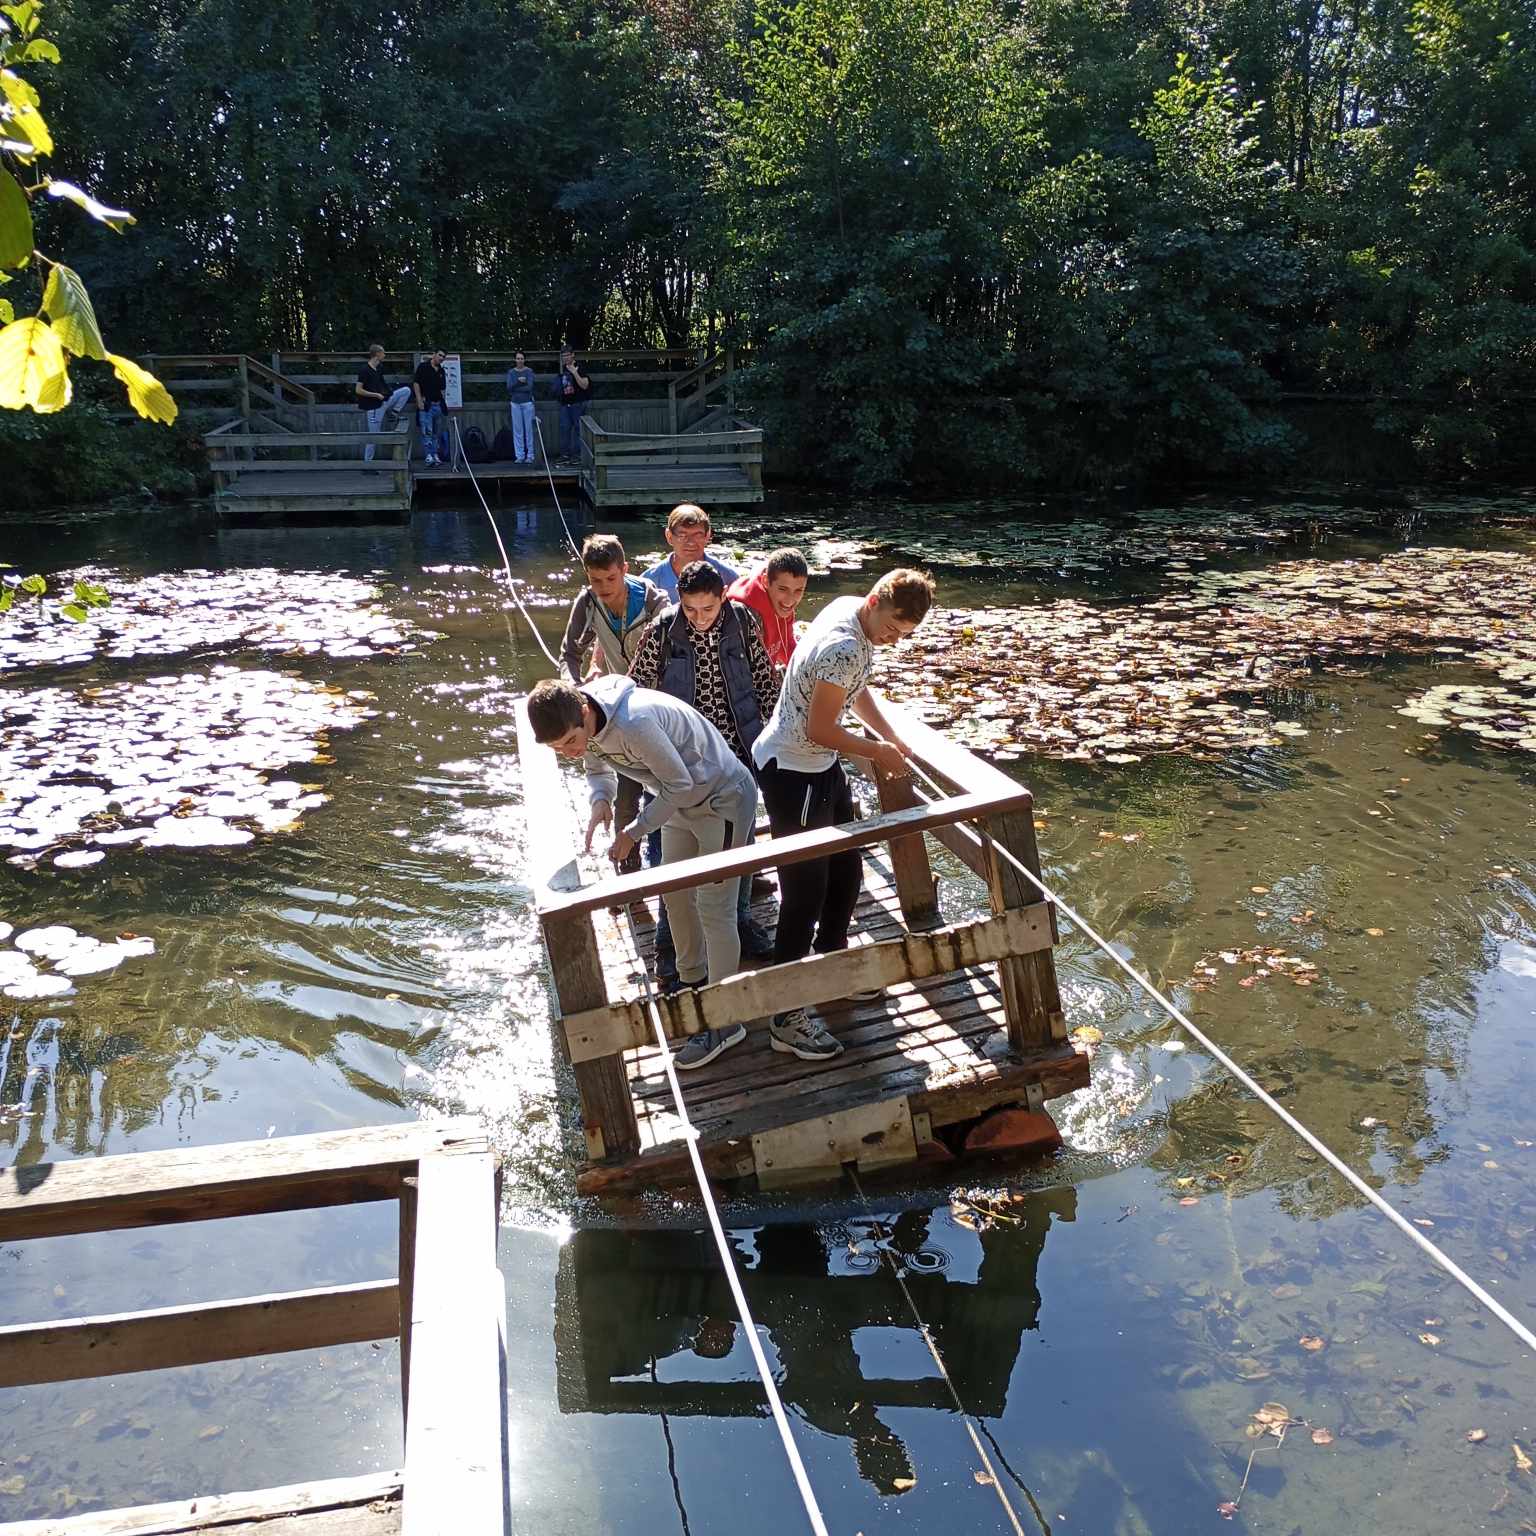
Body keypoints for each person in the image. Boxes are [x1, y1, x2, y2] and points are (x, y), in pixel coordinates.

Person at [527, 676, 758, 1070]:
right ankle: (691, 987)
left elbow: (681, 783)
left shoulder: (634, 723)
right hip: (678, 802)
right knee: (674, 894)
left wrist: (634, 832)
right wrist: (601, 800)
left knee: (714, 908)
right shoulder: (585, 724)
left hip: (721, 799)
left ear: (584, 711)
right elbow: (596, 768)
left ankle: (725, 1022)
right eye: (558, 749)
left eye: (569, 742)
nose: (569, 752)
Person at [752, 568, 936, 1062]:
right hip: (794, 769)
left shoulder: (852, 612)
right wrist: (877, 752)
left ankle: (832, 961)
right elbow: (820, 728)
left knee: (848, 869)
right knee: (804, 892)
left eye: (903, 635)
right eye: (892, 628)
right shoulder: (845, 646)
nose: (893, 640)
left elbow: (853, 690)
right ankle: (785, 1016)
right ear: (875, 602)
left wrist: (889, 735)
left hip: (821, 767)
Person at [629, 559, 780, 964]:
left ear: (722, 598)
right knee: (665, 845)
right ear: (679, 600)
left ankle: (740, 920)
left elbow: (764, 681)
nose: (699, 618)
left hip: (736, 749)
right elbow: (637, 691)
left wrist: (774, 738)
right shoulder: (662, 630)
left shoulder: (743, 621)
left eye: (708, 609)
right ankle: (668, 939)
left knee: (740, 840)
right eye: (690, 609)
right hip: (678, 756)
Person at [559, 533, 668, 683]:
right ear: (587, 573)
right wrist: (574, 686)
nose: (604, 587)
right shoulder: (588, 602)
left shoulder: (654, 603)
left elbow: (674, 660)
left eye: (611, 578)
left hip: (658, 691)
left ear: (624, 569)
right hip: (619, 690)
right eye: (595, 580)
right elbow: (570, 655)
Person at [726, 548, 810, 672]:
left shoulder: (782, 604)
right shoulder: (744, 615)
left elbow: (787, 646)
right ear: (765, 581)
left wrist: (808, 670)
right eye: (782, 589)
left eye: (798, 590)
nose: (790, 601)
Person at [642, 505, 738, 602]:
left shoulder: (728, 577)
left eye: (698, 535)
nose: (691, 542)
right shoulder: (649, 581)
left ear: (707, 535)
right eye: (682, 535)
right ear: (669, 536)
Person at [553, 346, 591, 464]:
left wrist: (575, 373)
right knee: (564, 429)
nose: (565, 358)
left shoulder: (580, 367)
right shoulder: (563, 369)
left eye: (567, 355)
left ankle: (578, 456)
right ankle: (565, 455)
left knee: (578, 430)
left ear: (573, 355)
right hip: (565, 404)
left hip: (578, 403)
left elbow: (585, 385)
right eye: (563, 356)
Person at [355, 344, 392, 462]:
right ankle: (368, 463)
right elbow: (358, 390)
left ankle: (393, 412)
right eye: (383, 353)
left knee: (405, 391)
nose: (384, 355)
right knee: (374, 436)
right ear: (377, 354)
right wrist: (375, 395)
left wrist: (387, 393)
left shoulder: (379, 368)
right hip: (372, 407)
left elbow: (382, 384)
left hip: (382, 402)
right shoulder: (364, 370)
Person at [412, 348, 448, 467]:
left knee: (436, 432)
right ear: (434, 354)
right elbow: (416, 383)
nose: (441, 358)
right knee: (427, 431)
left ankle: (435, 454)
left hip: (438, 404)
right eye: (440, 355)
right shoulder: (423, 367)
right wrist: (419, 400)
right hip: (426, 404)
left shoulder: (441, 371)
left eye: (444, 357)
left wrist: (443, 402)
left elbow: (443, 388)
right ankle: (428, 456)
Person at [506, 350, 536, 464]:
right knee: (518, 430)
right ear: (515, 360)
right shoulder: (511, 372)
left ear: (524, 360)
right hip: (515, 403)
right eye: (518, 358)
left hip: (527, 403)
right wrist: (519, 383)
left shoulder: (529, 371)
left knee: (529, 430)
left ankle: (530, 455)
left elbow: (529, 387)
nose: (520, 360)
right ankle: (519, 455)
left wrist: (516, 387)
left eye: (521, 358)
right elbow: (509, 387)